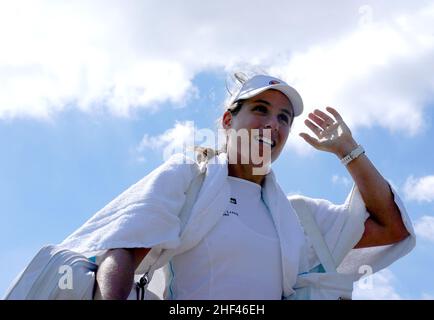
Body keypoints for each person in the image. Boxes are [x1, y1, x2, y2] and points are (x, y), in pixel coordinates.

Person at [59, 73, 416, 300]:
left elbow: (392, 227)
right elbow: (122, 248)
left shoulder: (299, 217)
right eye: (260, 110)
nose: (272, 125)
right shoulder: (190, 180)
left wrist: (347, 151)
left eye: (283, 119)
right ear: (229, 120)